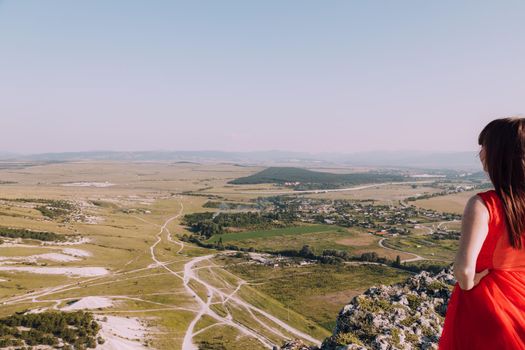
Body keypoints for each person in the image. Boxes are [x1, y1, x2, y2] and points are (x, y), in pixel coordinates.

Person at [439, 118, 525, 349]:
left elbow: (464, 270)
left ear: (500, 154)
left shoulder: (484, 204)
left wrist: (469, 284)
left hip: (489, 302)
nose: (480, 153)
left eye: (484, 146)